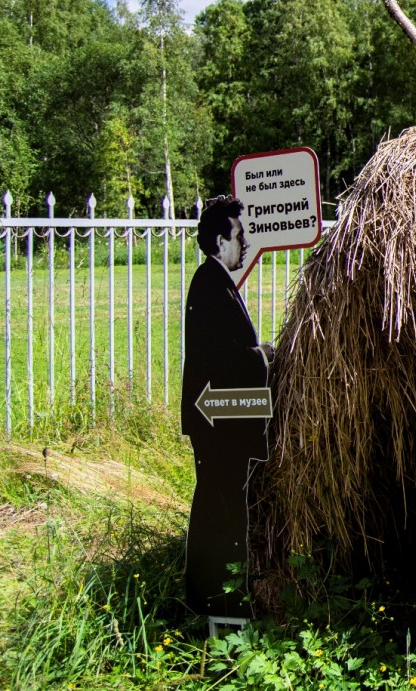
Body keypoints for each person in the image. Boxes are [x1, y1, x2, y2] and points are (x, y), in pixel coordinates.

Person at [181, 195, 273, 619]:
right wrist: (266, 355)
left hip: (219, 416)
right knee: (221, 505)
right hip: (217, 420)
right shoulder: (210, 285)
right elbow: (230, 360)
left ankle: (215, 595)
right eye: (241, 235)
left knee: (219, 503)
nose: (247, 243)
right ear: (220, 241)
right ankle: (218, 599)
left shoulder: (215, 282)